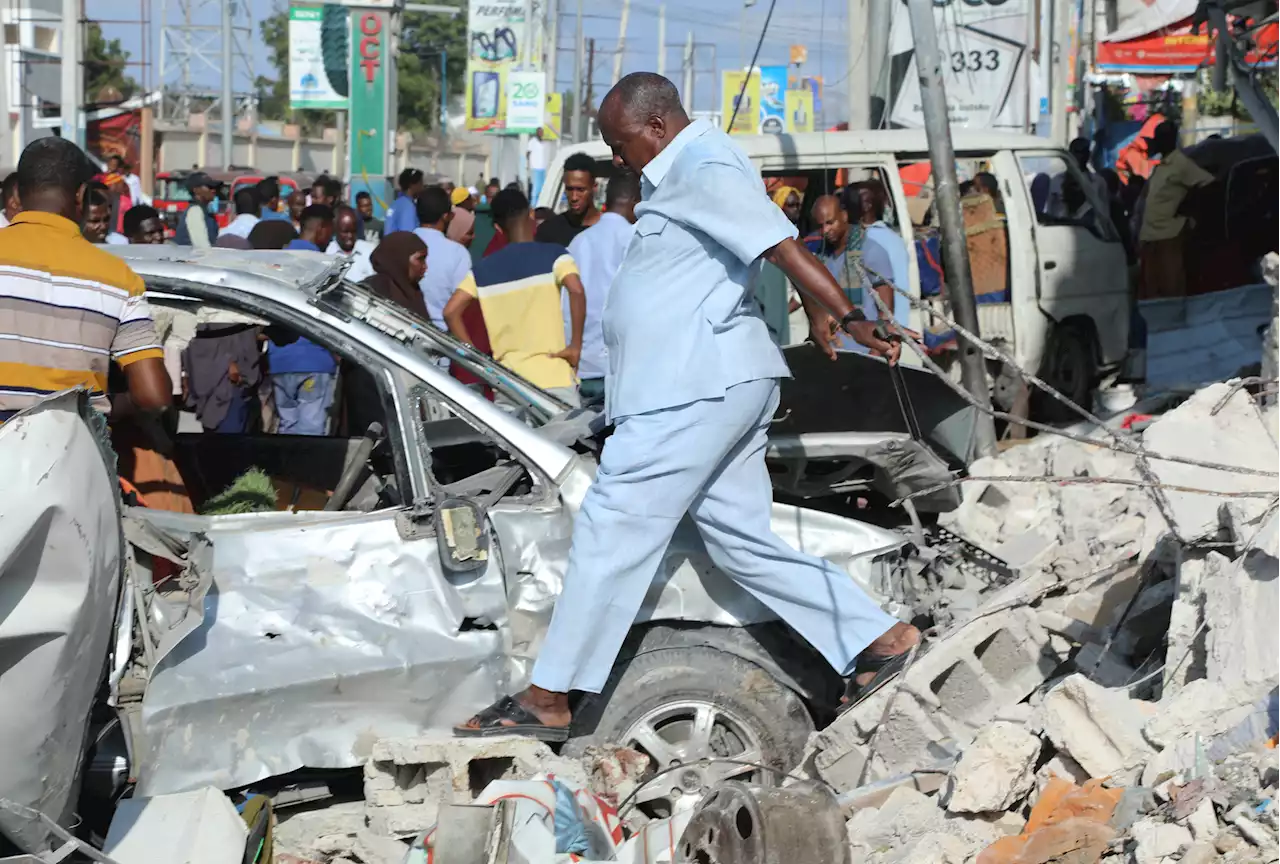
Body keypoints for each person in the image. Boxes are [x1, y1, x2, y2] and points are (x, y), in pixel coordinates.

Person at [455, 73, 913, 740]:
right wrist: (820, 314)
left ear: (658, 128)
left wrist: (849, 316)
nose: (617, 159)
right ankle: (882, 639)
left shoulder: (703, 165)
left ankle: (549, 696)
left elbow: (779, 245)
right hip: (708, 383)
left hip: (690, 388)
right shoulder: (687, 172)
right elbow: (764, 242)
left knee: (612, 526)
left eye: (620, 143)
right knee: (741, 542)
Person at [0, 136, 170, 422]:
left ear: (17, 195)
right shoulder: (119, 279)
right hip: (75, 457)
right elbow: (154, 397)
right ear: (81, 195)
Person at [442, 188, 585, 406]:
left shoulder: (482, 270)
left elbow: (451, 311)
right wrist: (575, 346)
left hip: (509, 386)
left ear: (498, 227)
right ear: (531, 214)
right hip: (554, 380)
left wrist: (476, 359)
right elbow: (575, 289)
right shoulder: (555, 255)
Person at [565, 170, 640, 406]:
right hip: (619, 368)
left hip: (581, 366)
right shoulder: (635, 239)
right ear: (636, 203)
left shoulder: (578, 242)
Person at [1138, 121, 1214, 300]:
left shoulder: (1181, 163)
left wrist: (1188, 208)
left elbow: (1210, 185)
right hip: (1150, 236)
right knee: (1151, 290)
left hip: (1169, 235)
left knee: (1171, 288)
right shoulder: (1160, 166)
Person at [847, 180, 913, 335]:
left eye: (847, 203)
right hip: (899, 328)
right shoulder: (893, 238)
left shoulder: (866, 241)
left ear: (866, 205)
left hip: (878, 331)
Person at [414, 187, 477, 331]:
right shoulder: (457, 253)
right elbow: (464, 306)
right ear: (445, 216)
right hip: (443, 338)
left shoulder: (402, 244)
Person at [535, 152, 600, 245]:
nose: (574, 197)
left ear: (594, 187)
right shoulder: (549, 231)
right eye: (569, 189)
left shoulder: (610, 230)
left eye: (580, 190)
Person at [362, 230, 430, 319]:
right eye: (420, 259)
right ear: (401, 259)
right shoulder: (374, 290)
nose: (425, 266)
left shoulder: (412, 292)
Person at [327, 205, 376, 282]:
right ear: (335, 229)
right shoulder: (328, 254)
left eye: (353, 231)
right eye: (345, 232)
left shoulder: (369, 250)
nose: (350, 236)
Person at [175, 172, 219, 247]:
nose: (213, 190)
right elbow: (202, 248)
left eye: (214, 187)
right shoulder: (195, 212)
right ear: (196, 190)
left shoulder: (205, 211)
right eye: (209, 187)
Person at [385, 168, 425, 235]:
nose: (422, 187)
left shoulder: (395, 203)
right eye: (420, 183)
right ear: (412, 185)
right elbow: (407, 236)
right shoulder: (408, 207)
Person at [526, 127, 549, 203]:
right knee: (536, 188)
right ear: (537, 133)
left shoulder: (543, 142)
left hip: (543, 167)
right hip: (536, 167)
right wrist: (529, 165)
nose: (541, 133)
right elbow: (528, 154)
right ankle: (533, 204)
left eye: (542, 132)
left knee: (542, 188)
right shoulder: (532, 142)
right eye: (539, 132)